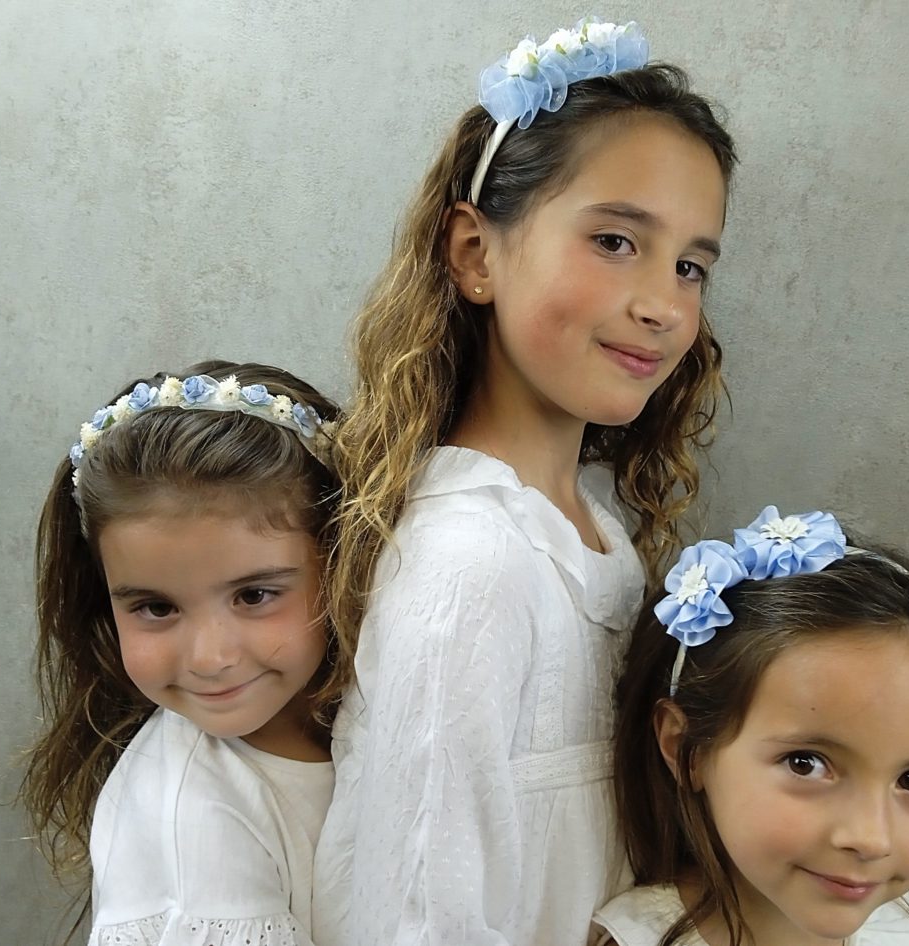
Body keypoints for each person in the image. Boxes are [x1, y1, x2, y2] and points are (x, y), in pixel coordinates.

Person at [315, 18, 738, 946]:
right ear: (475, 253)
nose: (663, 305)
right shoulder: (471, 563)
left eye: (690, 266)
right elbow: (418, 913)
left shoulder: (592, 533)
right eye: (616, 241)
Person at [21, 361, 341, 946]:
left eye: (254, 595)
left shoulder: (362, 711)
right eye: (156, 607)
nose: (209, 658)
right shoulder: (195, 826)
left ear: (339, 562)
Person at [593, 506, 909, 946]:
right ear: (687, 748)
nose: (871, 839)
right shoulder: (642, 938)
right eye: (805, 763)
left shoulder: (894, 924)